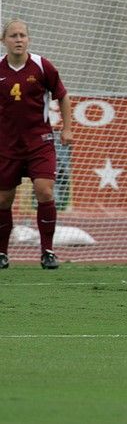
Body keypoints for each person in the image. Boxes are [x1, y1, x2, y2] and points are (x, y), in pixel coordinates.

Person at [0, 19, 74, 270]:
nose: (18, 39)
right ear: (4, 41)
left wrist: (67, 128)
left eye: (22, 35)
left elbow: (62, 96)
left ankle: (48, 252)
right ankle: (1, 253)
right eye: (13, 36)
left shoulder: (42, 66)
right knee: (3, 200)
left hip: (39, 143)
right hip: (6, 146)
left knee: (44, 191)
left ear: (28, 39)